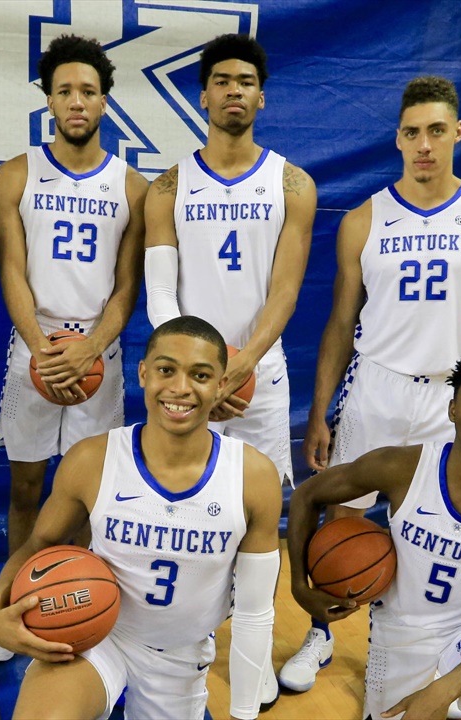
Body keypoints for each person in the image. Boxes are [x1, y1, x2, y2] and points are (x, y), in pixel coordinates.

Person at [280, 75, 461, 693]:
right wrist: (319, 410)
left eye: (436, 130)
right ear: (398, 139)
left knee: (441, 531)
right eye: (412, 133)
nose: (424, 145)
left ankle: (438, 656)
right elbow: (340, 322)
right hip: (376, 385)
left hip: (451, 396)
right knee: (342, 516)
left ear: (458, 132)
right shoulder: (364, 220)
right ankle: (320, 633)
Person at [0, 316, 282, 720]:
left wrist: (244, 714)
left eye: (200, 375)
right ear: (143, 374)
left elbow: (254, 613)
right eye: (166, 370)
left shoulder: (253, 477)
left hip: (180, 653)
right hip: (95, 636)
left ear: (222, 384)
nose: (180, 388)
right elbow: (40, 545)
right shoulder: (93, 459)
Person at [287, 347, 461, 719]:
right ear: (452, 409)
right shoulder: (403, 467)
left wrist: (443, 689)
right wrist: (300, 586)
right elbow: (307, 495)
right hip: (400, 630)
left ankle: (456, 686)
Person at [0, 34, 147, 555]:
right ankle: (19, 592)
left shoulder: (132, 186)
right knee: (25, 488)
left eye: (87, 91)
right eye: (64, 92)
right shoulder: (16, 175)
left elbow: (127, 288)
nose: (76, 102)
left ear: (105, 101)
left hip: (98, 350)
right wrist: (41, 348)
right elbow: (11, 272)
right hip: (33, 344)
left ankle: (80, 591)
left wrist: (90, 349)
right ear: (49, 101)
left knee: (88, 492)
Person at [144, 33, 316, 490]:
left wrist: (243, 364)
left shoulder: (293, 185)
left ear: (261, 97)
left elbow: (285, 291)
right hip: (188, 379)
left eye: (245, 81)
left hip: (261, 369)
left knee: (259, 501)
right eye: (221, 81)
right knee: (181, 498)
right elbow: (159, 291)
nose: (233, 90)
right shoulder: (167, 188)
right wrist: (195, 369)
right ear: (204, 97)